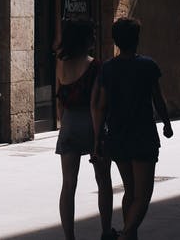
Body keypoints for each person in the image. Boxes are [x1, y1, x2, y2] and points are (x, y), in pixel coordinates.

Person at [92, 18, 173, 240]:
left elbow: (101, 105)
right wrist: (166, 123)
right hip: (143, 135)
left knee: (130, 189)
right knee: (144, 194)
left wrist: (98, 138)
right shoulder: (148, 65)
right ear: (136, 39)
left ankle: (131, 235)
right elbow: (158, 99)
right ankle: (127, 234)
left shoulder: (108, 68)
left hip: (117, 136)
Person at [53, 19, 113, 240]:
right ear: (85, 39)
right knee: (103, 180)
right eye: (92, 35)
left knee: (68, 184)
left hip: (69, 124)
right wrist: (98, 139)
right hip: (91, 124)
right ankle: (106, 231)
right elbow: (96, 105)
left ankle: (69, 237)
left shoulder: (60, 64)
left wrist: (63, 125)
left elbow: (59, 99)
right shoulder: (96, 66)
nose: (95, 39)